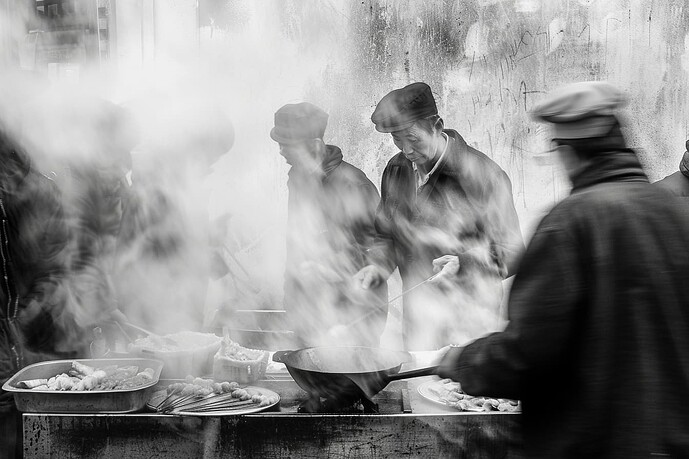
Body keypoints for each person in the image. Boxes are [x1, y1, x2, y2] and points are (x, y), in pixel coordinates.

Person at [436, 81, 689, 458]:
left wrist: (464, 361)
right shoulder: (673, 213)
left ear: (570, 152)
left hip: (596, 442)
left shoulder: (571, 221)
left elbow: (529, 353)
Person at [355, 82, 524, 350]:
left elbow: (512, 251)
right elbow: (385, 234)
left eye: (413, 138)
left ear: (437, 126)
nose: (406, 150)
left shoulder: (484, 176)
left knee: (456, 392)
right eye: (397, 140)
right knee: (416, 388)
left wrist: (465, 263)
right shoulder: (397, 169)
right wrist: (377, 265)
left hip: (467, 321)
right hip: (418, 318)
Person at [113, 97, 235, 334]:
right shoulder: (156, 184)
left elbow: (181, 237)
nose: (212, 164)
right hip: (154, 310)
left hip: (180, 306)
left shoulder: (182, 181)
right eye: (212, 155)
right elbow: (147, 248)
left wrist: (208, 237)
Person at [271, 102, 386, 347]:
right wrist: (291, 299)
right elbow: (296, 241)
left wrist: (334, 270)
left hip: (351, 319)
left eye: (286, 145)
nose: (281, 151)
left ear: (314, 146)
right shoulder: (297, 178)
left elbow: (379, 254)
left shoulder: (354, 186)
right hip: (308, 312)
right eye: (279, 144)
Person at [0, 126, 70, 458]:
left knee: (34, 424)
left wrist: (35, 303)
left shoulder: (42, 192)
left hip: (36, 336)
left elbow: (57, 262)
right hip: (9, 340)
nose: (7, 184)